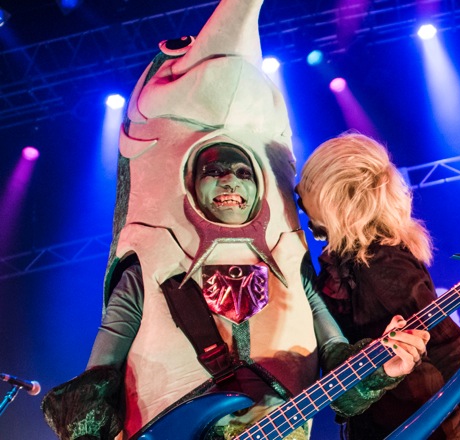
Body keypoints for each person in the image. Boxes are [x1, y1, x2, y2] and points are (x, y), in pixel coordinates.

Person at [40, 2, 428, 438]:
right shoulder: (144, 273)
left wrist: (383, 368)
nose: (230, 181)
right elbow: (98, 381)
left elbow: (336, 363)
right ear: (189, 179)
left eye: (243, 173)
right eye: (215, 170)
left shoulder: (292, 270)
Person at [296, 132, 460, 440]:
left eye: (307, 185)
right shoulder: (361, 263)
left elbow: (442, 355)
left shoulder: (379, 265)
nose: (298, 193)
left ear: (333, 198)